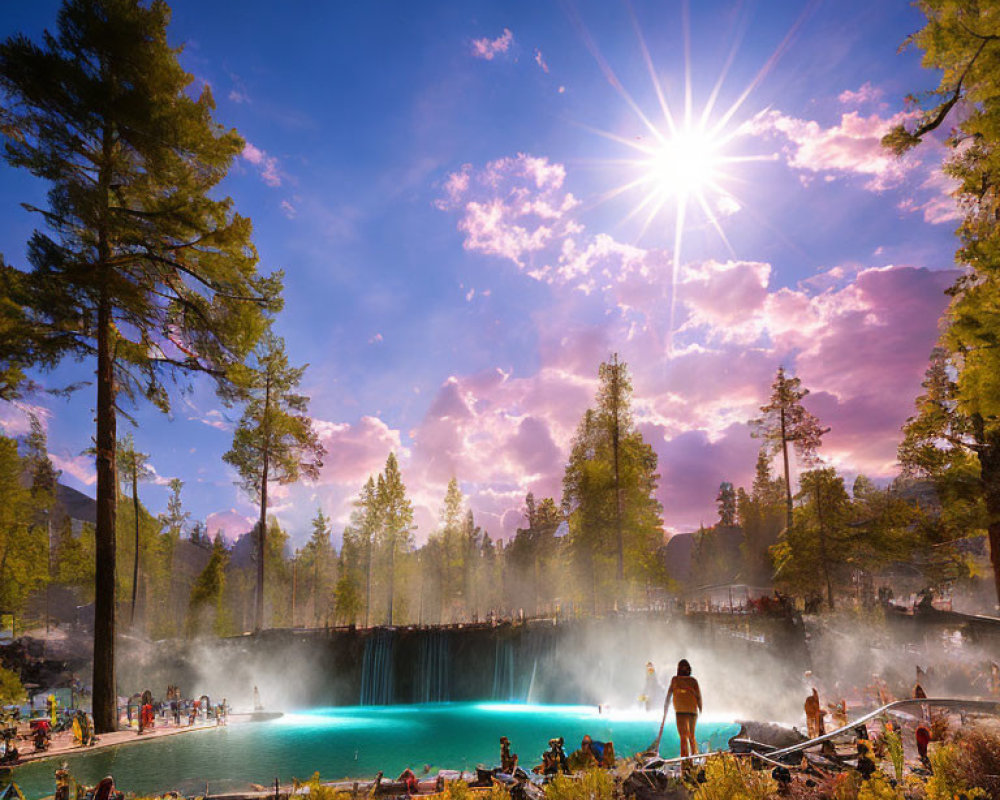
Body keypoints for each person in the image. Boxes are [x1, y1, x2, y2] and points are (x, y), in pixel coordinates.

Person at [664, 659, 702, 759]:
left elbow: (698, 696)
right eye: (682, 667)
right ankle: (686, 761)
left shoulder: (692, 681)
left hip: (690, 711)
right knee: (684, 737)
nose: (684, 669)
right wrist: (666, 706)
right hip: (681, 711)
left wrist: (700, 707)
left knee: (690, 736)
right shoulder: (675, 680)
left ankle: (693, 759)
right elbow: (669, 693)